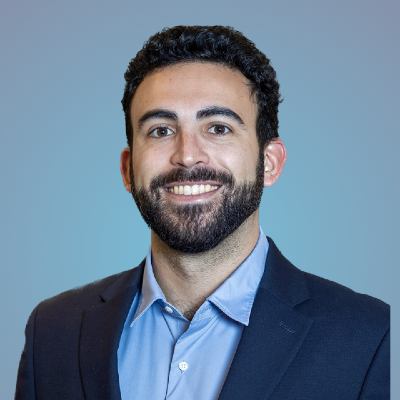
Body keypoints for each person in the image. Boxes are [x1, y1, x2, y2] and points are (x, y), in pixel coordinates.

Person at [15, 25, 390, 400]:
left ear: (270, 162)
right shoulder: (53, 331)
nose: (188, 155)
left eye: (218, 128)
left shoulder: (370, 338)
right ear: (128, 170)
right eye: (161, 131)